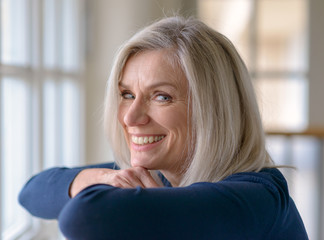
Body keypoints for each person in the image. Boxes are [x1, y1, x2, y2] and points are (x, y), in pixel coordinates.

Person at [19, 16, 308, 239]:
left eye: (162, 97)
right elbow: (32, 192)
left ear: (214, 111)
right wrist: (107, 177)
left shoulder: (255, 200)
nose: (131, 117)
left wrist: (143, 200)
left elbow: (84, 217)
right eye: (127, 95)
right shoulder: (163, 174)